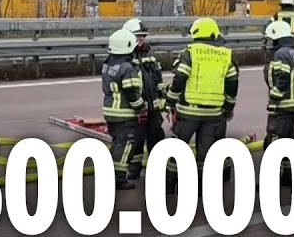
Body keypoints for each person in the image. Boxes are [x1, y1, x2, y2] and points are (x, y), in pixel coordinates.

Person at [164, 17, 239, 192]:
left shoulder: (190, 53)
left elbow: (179, 79)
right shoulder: (225, 55)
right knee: (206, 155)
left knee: (178, 149)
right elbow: (232, 85)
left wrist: (170, 101)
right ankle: (202, 189)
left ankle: (169, 186)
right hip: (214, 114)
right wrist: (228, 108)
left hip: (188, 112)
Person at [102, 28, 146, 190]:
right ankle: (119, 179)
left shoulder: (108, 63)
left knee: (117, 144)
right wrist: (141, 107)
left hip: (110, 111)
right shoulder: (127, 68)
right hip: (124, 113)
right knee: (126, 145)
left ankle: (112, 174)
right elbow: (132, 92)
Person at [263, 19, 294, 186]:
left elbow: (282, 78)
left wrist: (274, 96)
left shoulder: (280, 54)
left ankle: (270, 179)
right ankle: (287, 176)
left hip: (282, 104)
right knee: (289, 140)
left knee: (274, 140)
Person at [122, 18, 164, 181]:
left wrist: (163, 103)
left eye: (143, 36)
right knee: (136, 143)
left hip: (153, 109)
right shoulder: (125, 58)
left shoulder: (149, 55)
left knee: (156, 139)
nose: (141, 39)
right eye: (138, 36)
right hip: (136, 110)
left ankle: (156, 170)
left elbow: (158, 80)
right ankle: (133, 171)